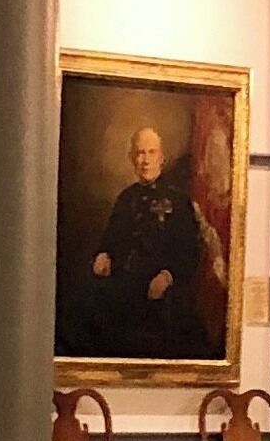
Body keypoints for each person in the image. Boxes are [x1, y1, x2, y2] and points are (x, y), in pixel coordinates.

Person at [80, 122, 211, 357]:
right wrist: (103, 254)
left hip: (162, 295)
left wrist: (167, 276)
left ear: (161, 158)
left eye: (151, 152)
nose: (146, 160)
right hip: (124, 291)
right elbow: (110, 239)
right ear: (132, 158)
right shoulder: (125, 198)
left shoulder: (178, 201)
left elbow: (189, 252)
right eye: (140, 153)